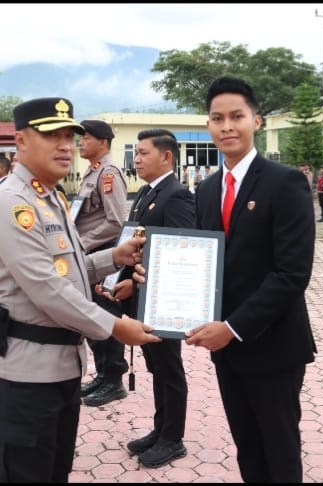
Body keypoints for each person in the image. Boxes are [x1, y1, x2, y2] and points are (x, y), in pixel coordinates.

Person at [0, 97, 160, 483]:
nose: (65, 146)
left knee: (55, 472)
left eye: (68, 137)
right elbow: (46, 288)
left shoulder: (50, 197)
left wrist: (113, 257)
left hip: (60, 367)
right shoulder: (11, 202)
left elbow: (66, 270)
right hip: (23, 376)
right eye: (51, 136)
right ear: (20, 141)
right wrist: (114, 327)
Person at [184, 76, 317, 482]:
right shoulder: (207, 190)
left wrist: (232, 328)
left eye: (236, 116)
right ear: (208, 125)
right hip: (226, 350)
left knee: (279, 449)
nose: (227, 126)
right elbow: (203, 262)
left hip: (273, 345)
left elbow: (292, 274)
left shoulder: (285, 182)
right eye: (217, 118)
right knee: (247, 446)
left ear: (256, 121)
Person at [104, 128, 195, 468]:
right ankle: (160, 428)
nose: (137, 159)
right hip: (144, 296)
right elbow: (139, 244)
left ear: (166, 157)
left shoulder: (177, 196)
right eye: (136, 153)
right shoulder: (146, 192)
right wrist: (124, 280)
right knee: (156, 366)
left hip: (165, 299)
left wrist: (137, 284)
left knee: (169, 367)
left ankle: (173, 438)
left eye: (143, 153)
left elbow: (180, 252)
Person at [75, 119, 130, 407]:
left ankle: (114, 380)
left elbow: (115, 221)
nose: (80, 143)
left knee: (106, 316)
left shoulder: (109, 174)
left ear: (103, 142)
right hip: (90, 256)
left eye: (86, 138)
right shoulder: (92, 172)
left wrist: (80, 244)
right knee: (91, 318)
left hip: (103, 255)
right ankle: (103, 373)